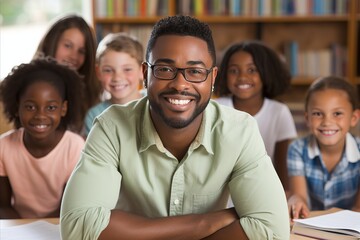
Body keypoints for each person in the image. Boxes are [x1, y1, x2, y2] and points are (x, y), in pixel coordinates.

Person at [60, 15, 290, 239]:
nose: (180, 84)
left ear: (212, 79)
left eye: (196, 72)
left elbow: (272, 230)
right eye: (164, 69)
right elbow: (78, 226)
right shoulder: (111, 127)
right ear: (145, 74)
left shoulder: (240, 131)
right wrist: (203, 223)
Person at [0, 58, 85, 219]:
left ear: (63, 108)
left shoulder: (74, 147)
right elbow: (2, 206)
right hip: (17, 225)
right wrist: (26, 229)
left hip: (59, 225)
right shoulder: (3, 146)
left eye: (51, 107)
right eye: (30, 107)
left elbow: (71, 207)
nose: (40, 115)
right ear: (17, 107)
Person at [214, 40, 297, 193]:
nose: (242, 77)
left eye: (252, 70)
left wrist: (286, 198)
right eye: (234, 70)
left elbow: (282, 167)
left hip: (263, 192)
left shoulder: (279, 112)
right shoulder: (216, 108)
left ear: (266, 73)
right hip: (221, 193)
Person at [287, 76, 360, 221]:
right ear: (307, 118)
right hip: (312, 224)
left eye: (337, 113)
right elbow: (299, 195)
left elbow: (358, 209)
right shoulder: (297, 149)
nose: (327, 122)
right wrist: (296, 201)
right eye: (318, 114)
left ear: (354, 118)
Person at [34, 14, 102, 132]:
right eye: (68, 45)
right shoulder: (28, 84)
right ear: (52, 42)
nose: (73, 56)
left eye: (81, 51)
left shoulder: (91, 95)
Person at [84, 32, 145, 137]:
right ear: (98, 72)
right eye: (108, 70)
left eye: (127, 69)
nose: (117, 78)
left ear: (142, 71)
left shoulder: (154, 103)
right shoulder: (94, 116)